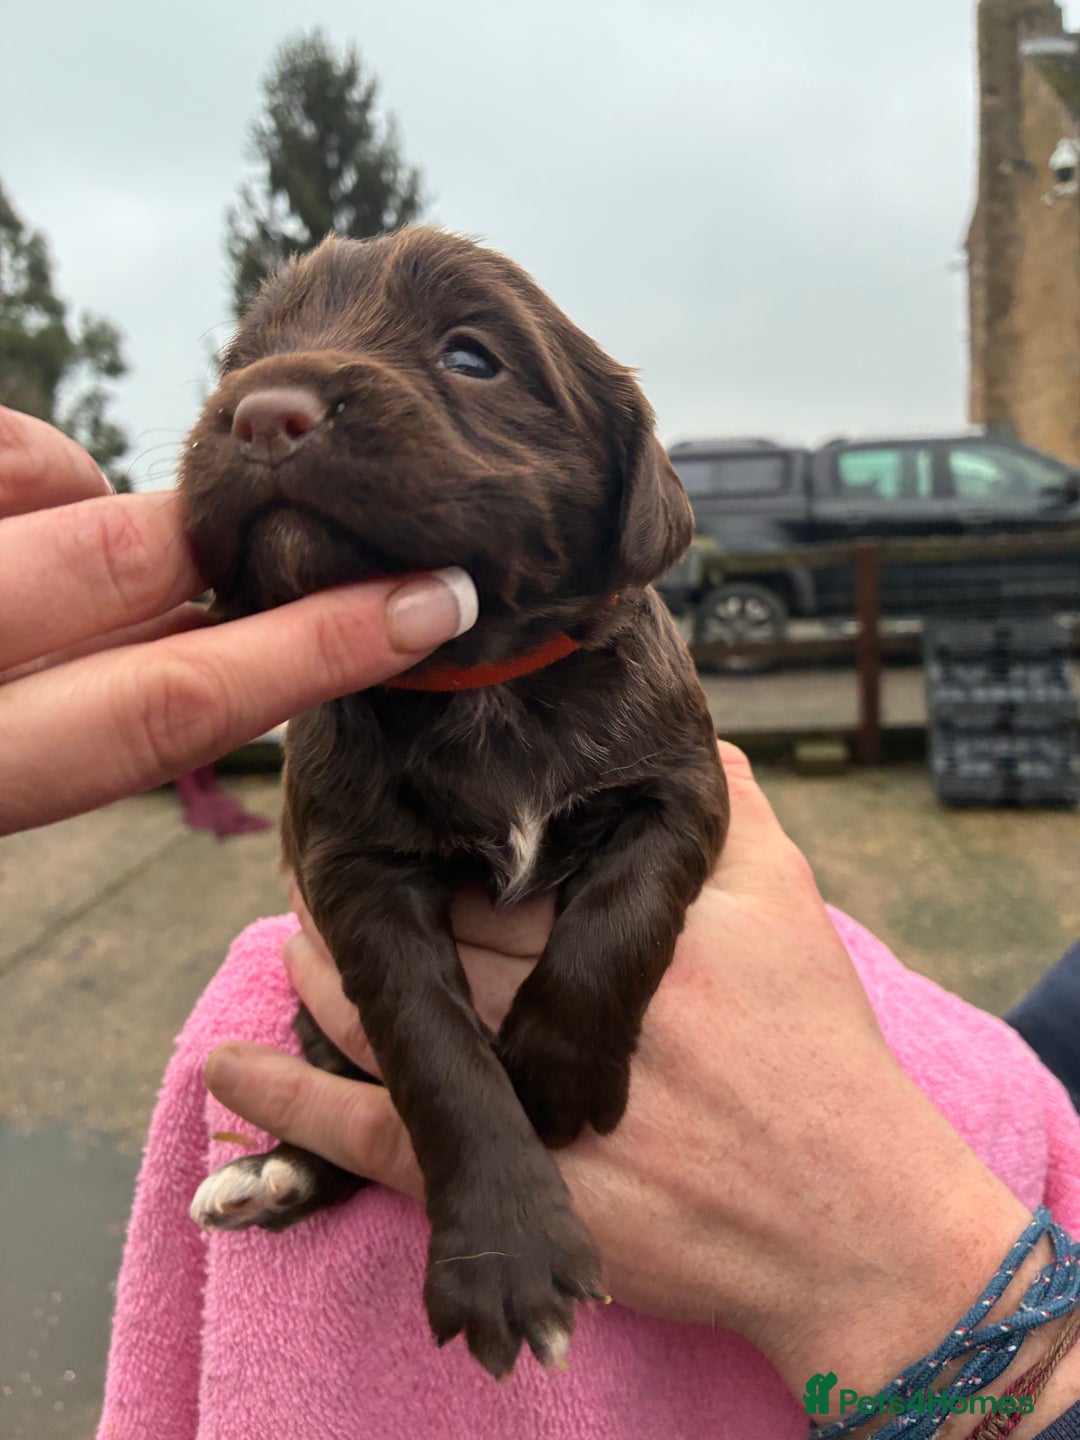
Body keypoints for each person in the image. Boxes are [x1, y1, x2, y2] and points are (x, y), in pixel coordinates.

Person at [4, 405, 1080, 1439]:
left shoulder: (624, 660)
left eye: (473, 358)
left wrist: (582, 1014)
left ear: (626, 489)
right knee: (331, 997)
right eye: (254, 358)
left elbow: (678, 804)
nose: (277, 403)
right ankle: (326, 1160)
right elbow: (354, 893)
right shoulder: (345, 712)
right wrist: (481, 1158)